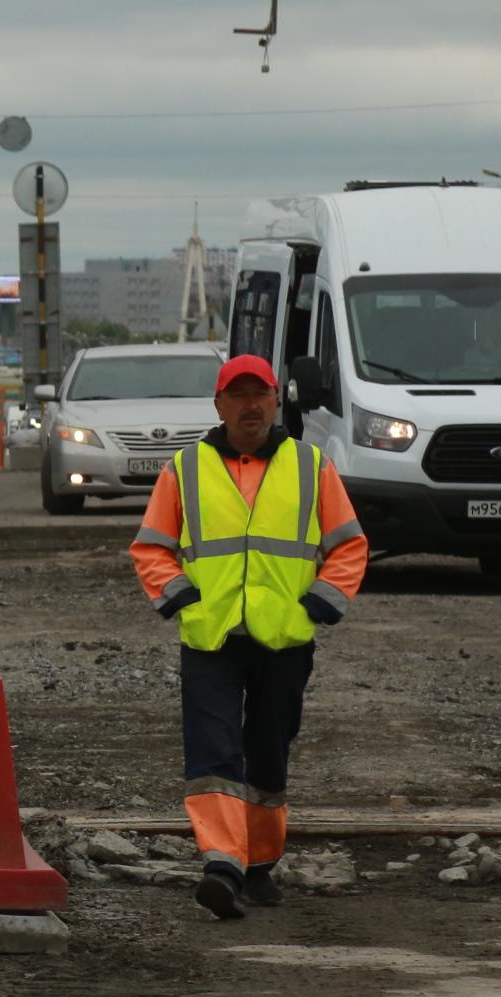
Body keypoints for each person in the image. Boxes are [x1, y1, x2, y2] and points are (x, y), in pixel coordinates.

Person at [128, 355, 369, 919]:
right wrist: (181, 595)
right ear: (219, 405)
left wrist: (321, 603)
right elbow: (152, 546)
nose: (250, 406)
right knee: (213, 753)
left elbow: (349, 545)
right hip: (210, 638)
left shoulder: (311, 466)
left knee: (268, 752)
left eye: (258, 394)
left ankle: (258, 866)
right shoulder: (184, 470)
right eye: (237, 396)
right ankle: (222, 864)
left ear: (274, 401)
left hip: (283, 638)